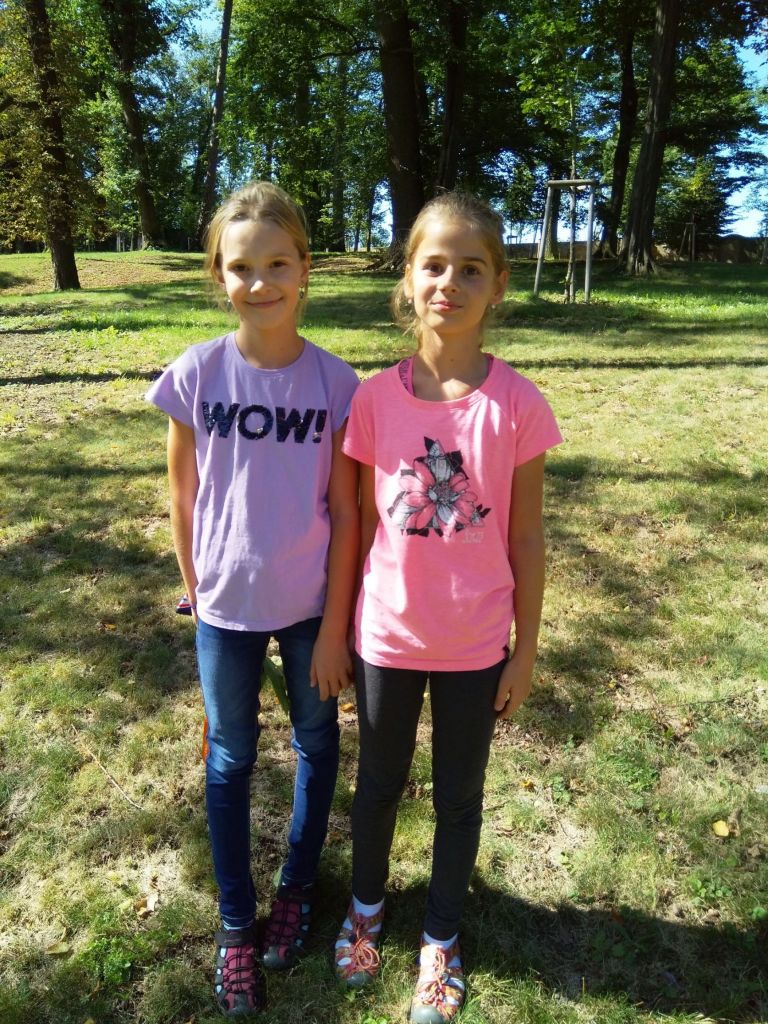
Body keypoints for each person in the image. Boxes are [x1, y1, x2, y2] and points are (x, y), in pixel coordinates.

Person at [334, 193, 562, 1022]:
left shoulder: (520, 405)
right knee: (378, 786)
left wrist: (525, 650)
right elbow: (357, 526)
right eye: (433, 265)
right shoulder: (372, 400)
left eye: (471, 268)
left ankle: (440, 937)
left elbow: (527, 538)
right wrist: (336, 631)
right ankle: (365, 911)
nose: (450, 282)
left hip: (476, 645)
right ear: (407, 277)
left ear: (498, 284)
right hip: (385, 638)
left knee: (459, 797)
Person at [145, 181, 359, 1015]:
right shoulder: (196, 373)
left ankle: (297, 889)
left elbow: (346, 509)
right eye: (241, 267)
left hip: (310, 610)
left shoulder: (337, 384)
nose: (260, 282)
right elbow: (182, 492)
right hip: (224, 611)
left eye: (277, 264)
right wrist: (196, 588)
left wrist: (336, 625)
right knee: (230, 759)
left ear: (305, 269)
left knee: (316, 743)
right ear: (218, 276)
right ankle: (237, 925)